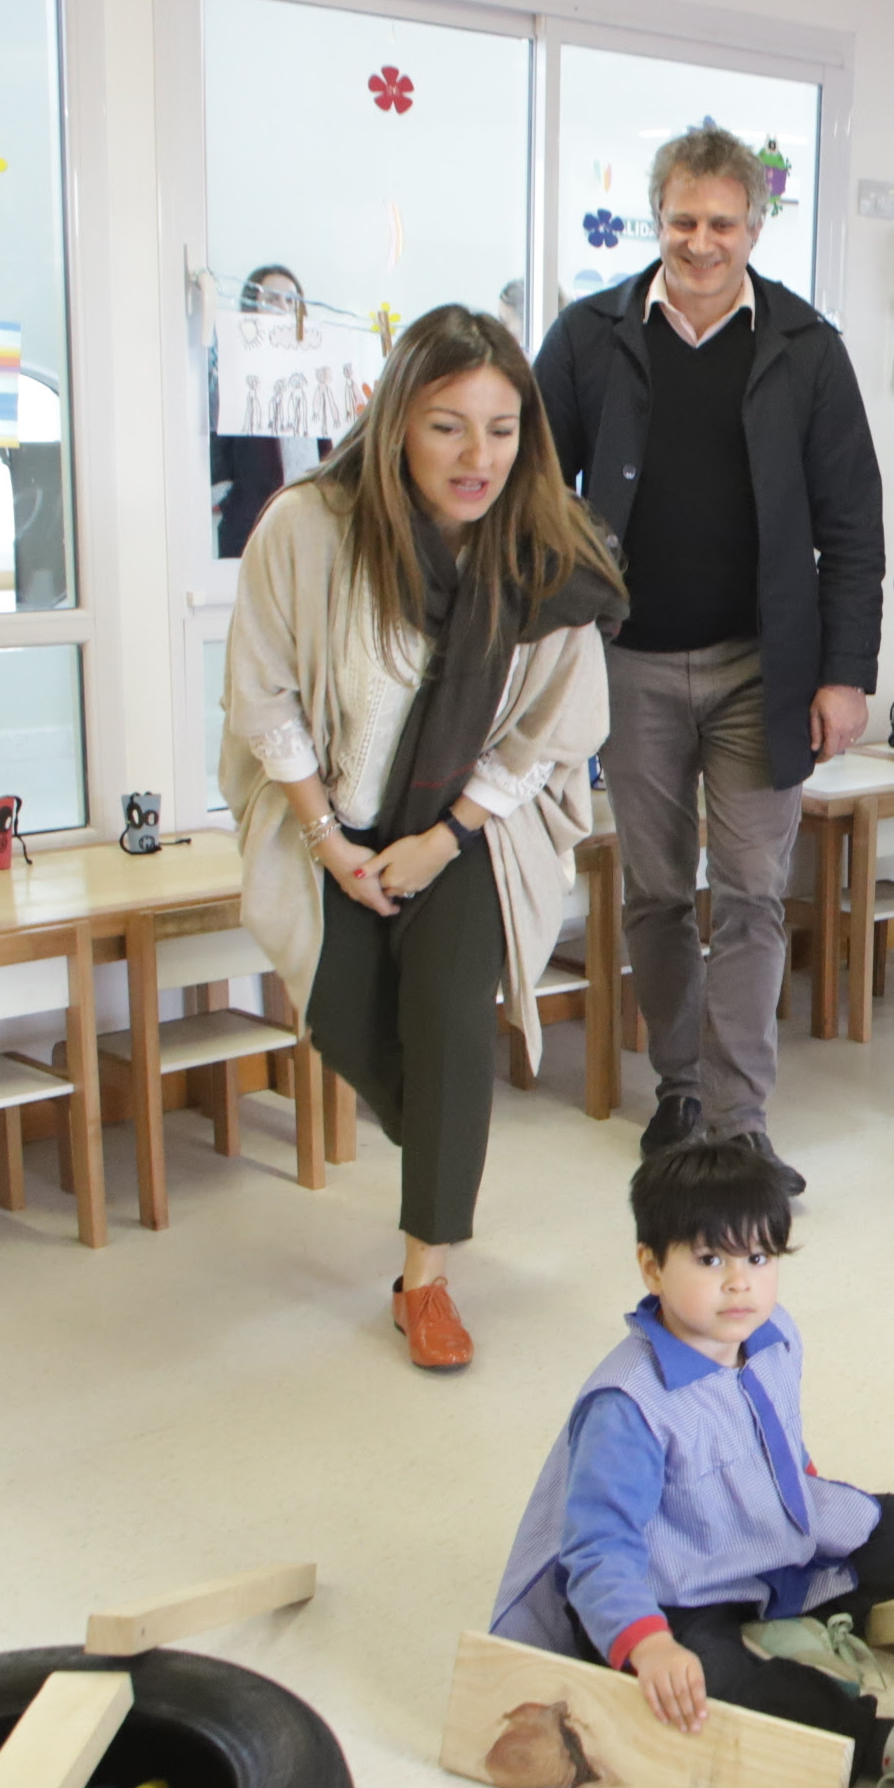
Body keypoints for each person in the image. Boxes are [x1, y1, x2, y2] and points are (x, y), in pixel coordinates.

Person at [224, 305, 622, 1370]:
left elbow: (552, 731)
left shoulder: (549, 548)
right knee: (350, 1021)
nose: (477, 457)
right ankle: (449, 1146)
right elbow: (263, 694)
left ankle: (426, 1276)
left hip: (471, 821)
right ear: (398, 419)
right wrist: (326, 841)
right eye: (448, 426)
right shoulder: (308, 526)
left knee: (448, 1019)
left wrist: (447, 837)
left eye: (501, 429)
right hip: (336, 815)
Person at [535, 121, 885, 1187]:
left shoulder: (805, 347)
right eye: (683, 221)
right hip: (629, 661)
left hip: (760, 666)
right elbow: (535, 489)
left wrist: (845, 673)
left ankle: (737, 1121)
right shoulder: (593, 332)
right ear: (658, 219)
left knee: (748, 892)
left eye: (722, 223)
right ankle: (678, 1082)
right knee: (652, 889)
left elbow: (853, 522)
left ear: (754, 225)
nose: (700, 243)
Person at [488, 1139, 894, 1788]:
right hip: (672, 1596)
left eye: (758, 1257)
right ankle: (879, 1744)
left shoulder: (774, 1333)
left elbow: (782, 1444)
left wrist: (817, 1509)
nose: (739, 1281)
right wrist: (651, 1648)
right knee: (707, 1680)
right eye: (709, 1259)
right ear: (651, 1268)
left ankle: (793, 1633)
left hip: (748, 1548)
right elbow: (598, 1553)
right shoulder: (630, 1405)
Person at [211, 265, 330, 561]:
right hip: (252, 523)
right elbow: (217, 440)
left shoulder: (313, 372)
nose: (283, 308)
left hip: (308, 521)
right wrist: (225, 494)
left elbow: (324, 448)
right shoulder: (233, 367)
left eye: (291, 301)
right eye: (273, 299)